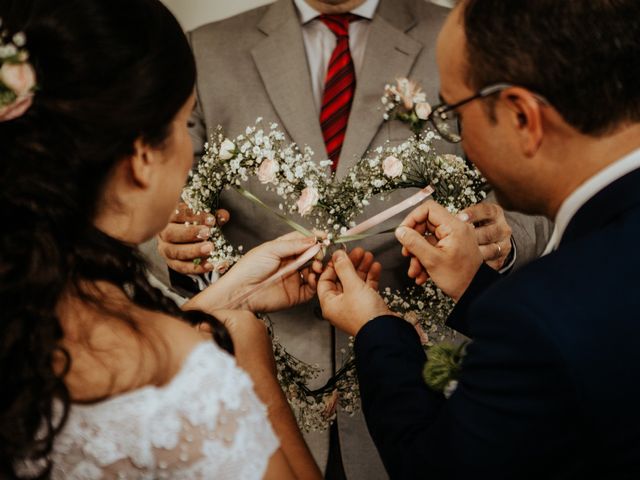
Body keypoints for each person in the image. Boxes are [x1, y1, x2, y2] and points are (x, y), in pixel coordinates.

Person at [146, 0, 552, 476]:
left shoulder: (461, 36)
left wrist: (504, 238)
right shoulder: (207, 50)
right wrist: (176, 249)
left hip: (427, 381)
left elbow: (543, 190)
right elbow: (144, 201)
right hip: (264, 385)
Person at [0, 0, 328, 478]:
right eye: (182, 124)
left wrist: (228, 295)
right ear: (141, 156)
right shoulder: (184, 375)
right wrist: (254, 374)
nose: (188, 155)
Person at [316, 0, 640, 478]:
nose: (458, 138)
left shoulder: (537, 312)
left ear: (523, 118)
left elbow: (437, 468)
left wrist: (377, 330)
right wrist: (474, 286)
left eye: (455, 114)